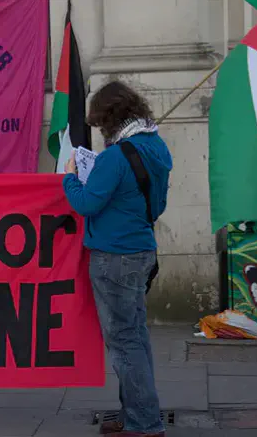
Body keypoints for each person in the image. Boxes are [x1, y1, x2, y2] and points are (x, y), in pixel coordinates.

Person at [63, 81, 172, 437]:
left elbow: (85, 204)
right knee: (136, 339)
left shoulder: (115, 157)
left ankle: (144, 424)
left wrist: (69, 179)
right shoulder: (156, 146)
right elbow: (158, 205)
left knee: (125, 343)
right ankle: (137, 413)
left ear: (109, 119)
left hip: (114, 257)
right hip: (141, 250)